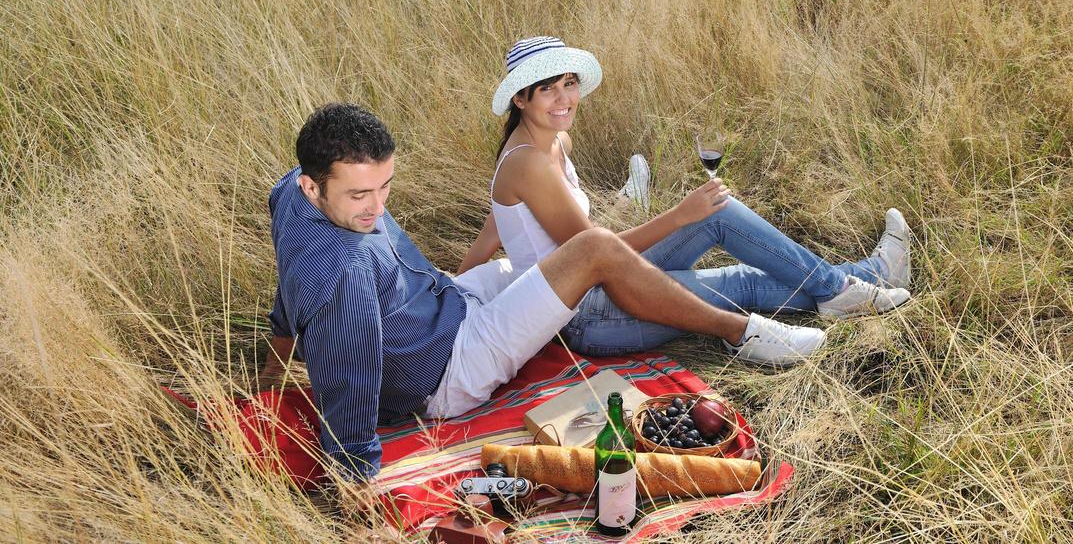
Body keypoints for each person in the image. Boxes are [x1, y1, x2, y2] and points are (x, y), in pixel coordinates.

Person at [263, 103, 827, 487]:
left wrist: (268, 375)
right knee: (595, 251)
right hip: (453, 364)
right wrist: (357, 489)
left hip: (453, 297)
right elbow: (347, 384)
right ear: (315, 186)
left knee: (565, 259)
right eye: (361, 195)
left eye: (385, 186)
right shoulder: (343, 274)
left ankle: (829, 282)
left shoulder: (290, 193)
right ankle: (740, 332)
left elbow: (291, 293)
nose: (378, 208)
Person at [458, 36, 913, 357]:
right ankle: (861, 281)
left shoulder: (555, 142)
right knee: (739, 281)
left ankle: (845, 285)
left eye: (568, 84)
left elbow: (490, 236)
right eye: (547, 90)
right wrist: (677, 216)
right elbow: (597, 252)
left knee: (718, 209)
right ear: (520, 99)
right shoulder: (528, 164)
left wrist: (453, 292)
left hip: (612, 279)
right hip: (587, 315)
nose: (564, 99)